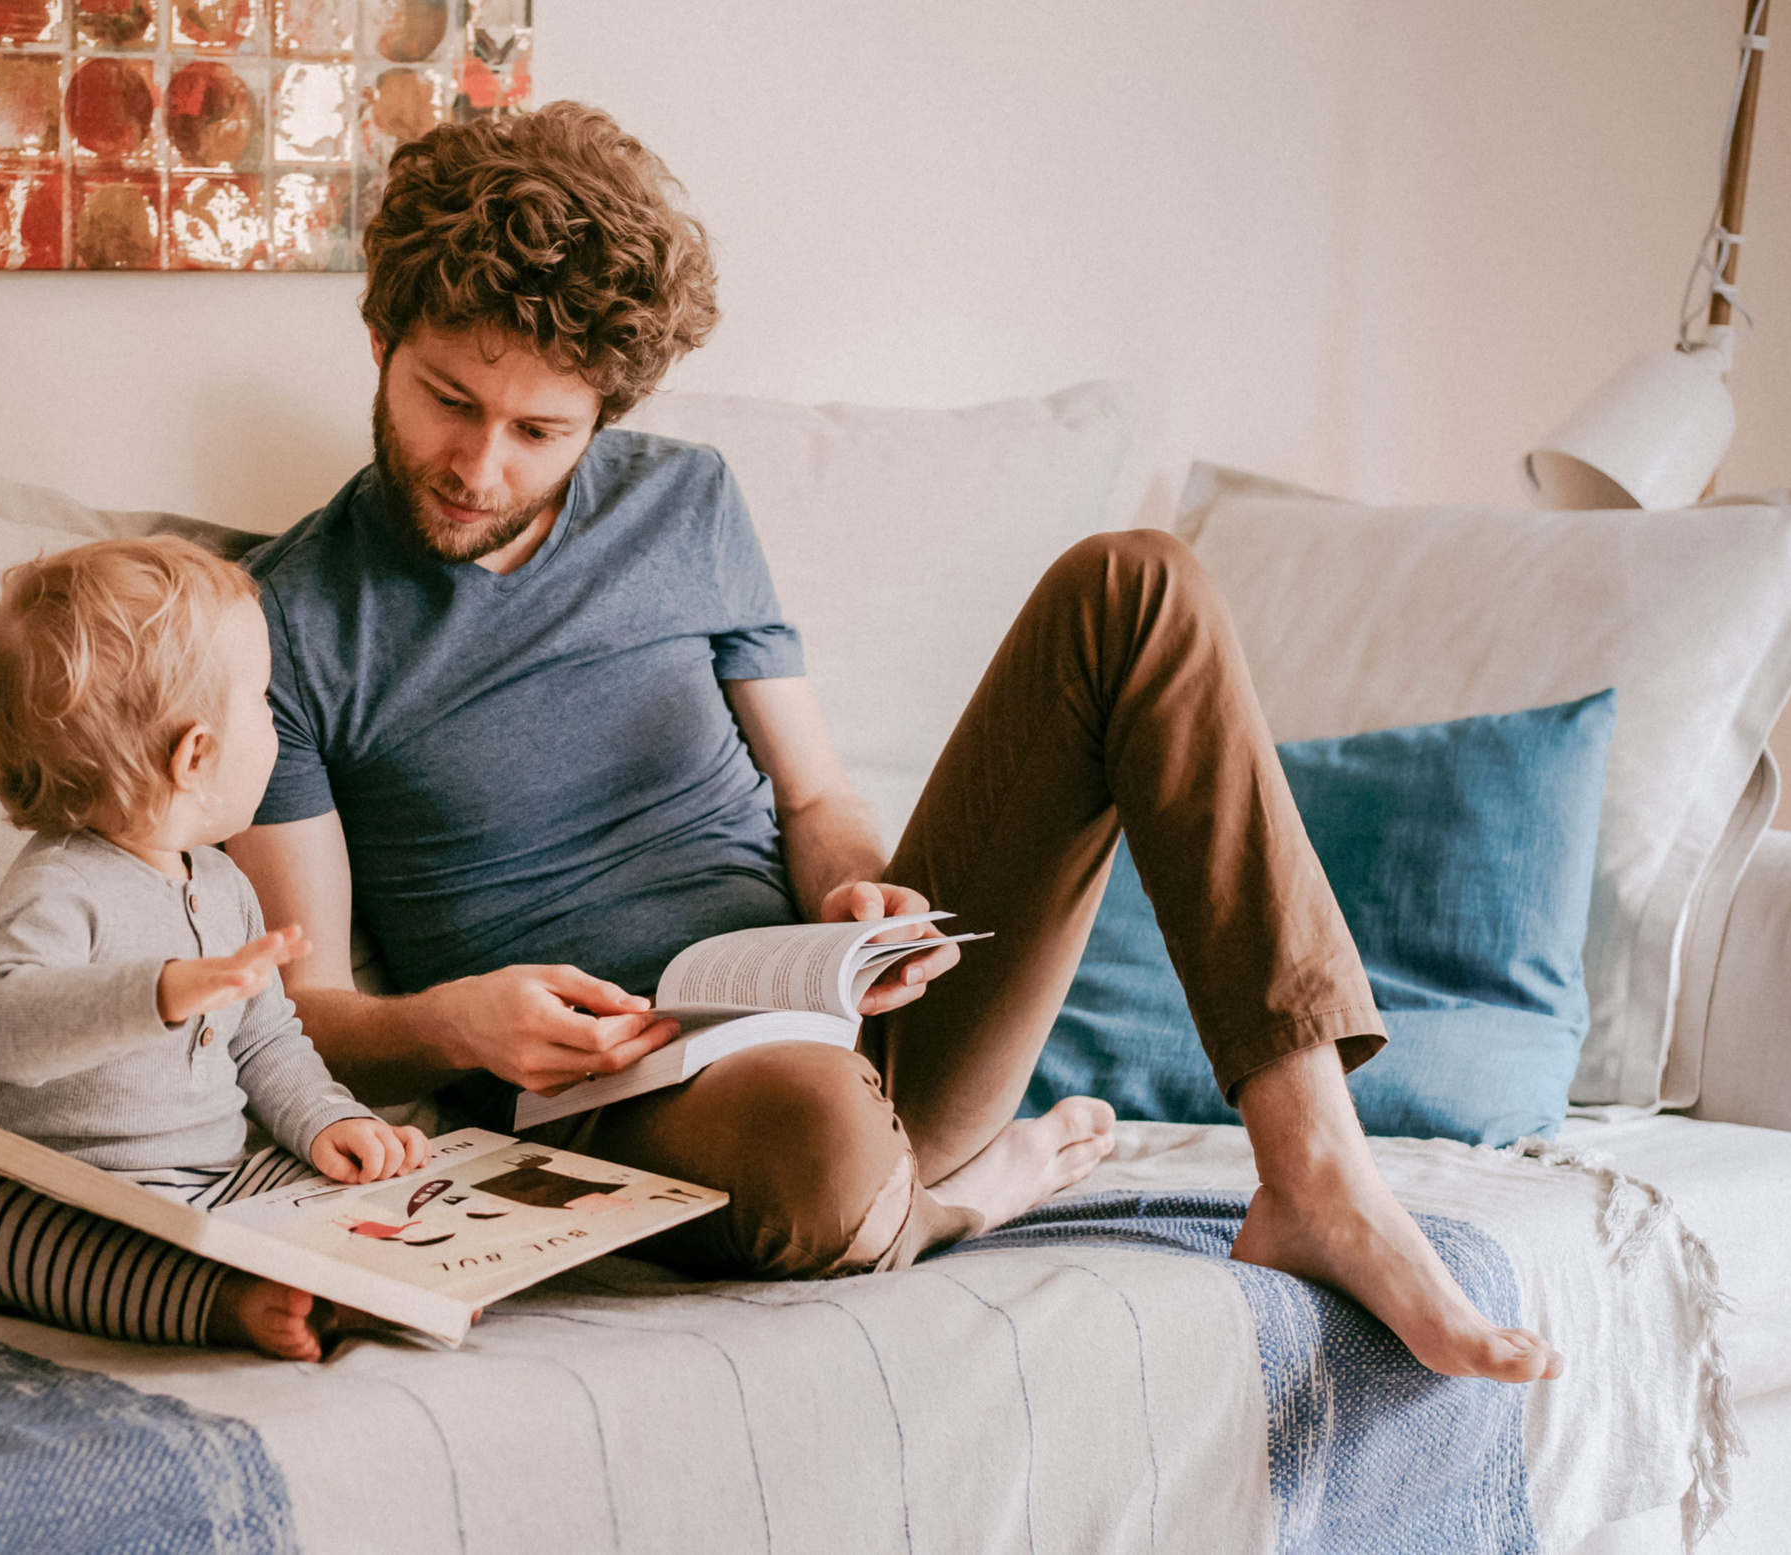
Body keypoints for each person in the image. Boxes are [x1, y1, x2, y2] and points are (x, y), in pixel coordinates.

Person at [226, 103, 1562, 1383]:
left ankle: (1317, 1174)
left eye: (539, 432)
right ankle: (952, 1199)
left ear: (605, 413)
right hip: (630, 1105)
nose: (480, 466)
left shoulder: (684, 502)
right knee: (821, 1144)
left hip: (839, 1016)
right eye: (447, 400)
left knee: (1135, 585)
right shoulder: (282, 625)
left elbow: (813, 798)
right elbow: (306, 1009)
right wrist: (452, 1024)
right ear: (381, 338)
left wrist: (859, 900)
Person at [0, 536, 430, 1362]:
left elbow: (267, 1041)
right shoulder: (62, 883)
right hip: (54, 1185)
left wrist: (328, 1120)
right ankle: (219, 1301)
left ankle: (372, 1277)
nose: (277, 721)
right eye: (262, 701)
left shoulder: (225, 883)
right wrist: (156, 991)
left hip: (213, 1178)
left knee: (368, 1190)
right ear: (196, 755)